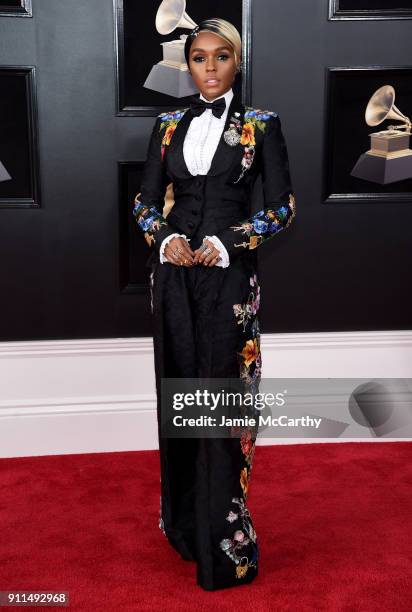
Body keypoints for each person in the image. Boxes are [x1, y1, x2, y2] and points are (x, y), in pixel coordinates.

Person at [133, 17, 296, 591]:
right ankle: (184, 528)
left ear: (237, 62)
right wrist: (166, 238)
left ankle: (226, 544)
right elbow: (145, 200)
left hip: (229, 278)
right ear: (189, 62)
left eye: (219, 57)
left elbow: (282, 207)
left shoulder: (261, 125)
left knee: (223, 402)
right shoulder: (167, 123)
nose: (208, 68)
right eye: (198, 57)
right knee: (178, 391)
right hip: (174, 277)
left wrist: (228, 243)